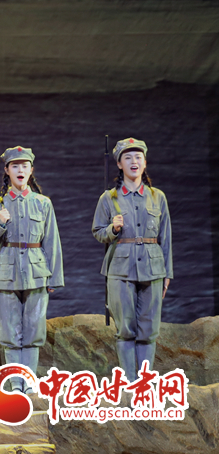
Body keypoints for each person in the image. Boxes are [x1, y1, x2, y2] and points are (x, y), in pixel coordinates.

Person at [0, 146, 63, 391]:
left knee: (33, 332)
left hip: (37, 273)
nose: (20, 170)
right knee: (10, 333)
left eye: (24, 165)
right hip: (7, 274)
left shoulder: (43, 203)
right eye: (15, 165)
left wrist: (53, 278)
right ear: (6, 170)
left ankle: (29, 382)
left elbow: (52, 242)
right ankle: (16, 382)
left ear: (31, 170)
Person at [92, 138, 172, 379]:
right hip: (120, 269)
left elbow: (166, 237)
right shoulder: (109, 198)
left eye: (138, 157)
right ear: (119, 164)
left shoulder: (158, 197)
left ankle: (144, 384)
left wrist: (167, 273)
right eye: (127, 157)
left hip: (153, 268)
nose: (133, 161)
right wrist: (113, 229)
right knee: (125, 329)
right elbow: (98, 232)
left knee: (149, 330)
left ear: (145, 163)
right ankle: (129, 383)